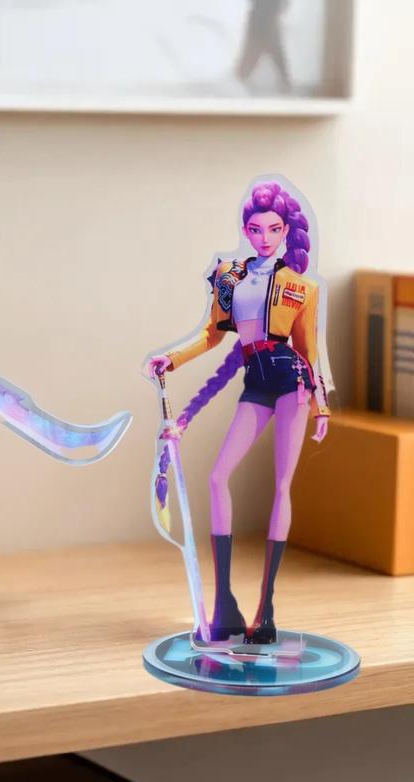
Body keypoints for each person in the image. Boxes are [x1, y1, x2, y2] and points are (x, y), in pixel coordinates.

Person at [148, 179, 332, 645]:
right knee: (217, 477)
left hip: (292, 382)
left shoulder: (301, 286)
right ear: (246, 230)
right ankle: (225, 604)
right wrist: (172, 358)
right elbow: (212, 334)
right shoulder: (229, 275)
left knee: (282, 485)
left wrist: (322, 406)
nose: (264, 237)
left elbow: (309, 349)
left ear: (286, 231)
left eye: (273, 229)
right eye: (256, 229)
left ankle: (265, 609)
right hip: (256, 382)